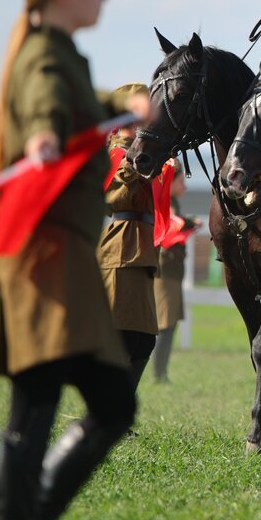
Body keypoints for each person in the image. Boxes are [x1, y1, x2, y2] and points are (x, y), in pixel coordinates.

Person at [0, 0, 135, 520]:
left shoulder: (59, 49)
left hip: (56, 255)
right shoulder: (42, 57)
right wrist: (42, 138)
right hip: (44, 256)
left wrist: (126, 99)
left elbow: (81, 101)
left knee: (61, 401)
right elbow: (46, 102)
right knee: (68, 402)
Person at [99, 83, 161, 393]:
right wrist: (132, 164)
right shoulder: (116, 152)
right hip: (122, 249)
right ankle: (107, 408)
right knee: (123, 336)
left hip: (142, 250)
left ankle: (118, 407)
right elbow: (112, 198)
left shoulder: (145, 152)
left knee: (144, 340)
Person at [151, 173, 195, 384]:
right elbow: (173, 225)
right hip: (165, 273)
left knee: (170, 325)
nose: (184, 186)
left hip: (173, 273)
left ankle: (161, 373)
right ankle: (159, 374)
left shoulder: (173, 203)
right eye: (181, 181)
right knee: (165, 325)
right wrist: (189, 222)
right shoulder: (166, 203)